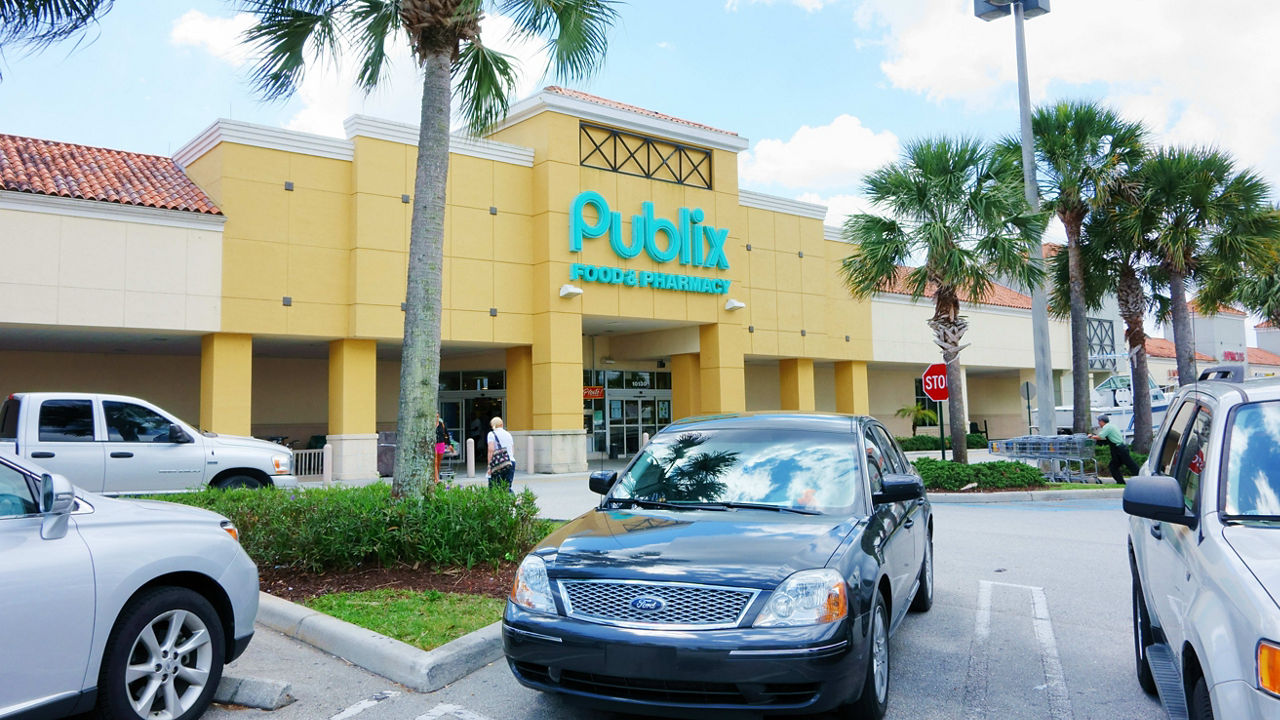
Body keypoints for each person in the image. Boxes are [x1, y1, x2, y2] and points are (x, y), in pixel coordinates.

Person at [1089, 414, 1139, 484]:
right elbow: (1108, 437)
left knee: (1129, 464)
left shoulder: (1107, 427)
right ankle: (1120, 482)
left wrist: (1091, 436)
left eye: (1099, 421)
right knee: (1114, 466)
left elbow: (1100, 436)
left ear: (1101, 421)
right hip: (1120, 448)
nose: (1098, 423)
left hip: (1119, 449)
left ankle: (1140, 478)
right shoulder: (1112, 426)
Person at [487, 416, 516, 492]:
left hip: (498, 464)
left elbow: (491, 450)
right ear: (501, 424)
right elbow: (512, 450)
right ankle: (511, 502)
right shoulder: (508, 434)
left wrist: (489, 466)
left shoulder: (491, 434)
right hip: (510, 462)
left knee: (494, 487)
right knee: (507, 487)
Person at [434, 415, 453, 484]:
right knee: (435, 462)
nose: (436, 417)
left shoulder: (441, 424)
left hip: (441, 444)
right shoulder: (431, 425)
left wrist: (449, 444)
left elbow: (446, 434)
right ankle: (437, 479)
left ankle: (436, 476)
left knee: (438, 462)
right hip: (434, 444)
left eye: (437, 416)